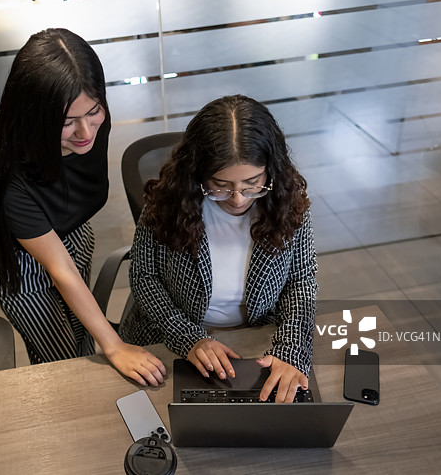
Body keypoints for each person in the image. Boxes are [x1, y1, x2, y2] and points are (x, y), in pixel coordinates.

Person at [0, 28, 165, 386]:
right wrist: (115, 345)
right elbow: (58, 267)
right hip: (18, 262)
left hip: (71, 233)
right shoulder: (8, 178)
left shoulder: (93, 122)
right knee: (64, 358)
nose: (85, 132)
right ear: (35, 116)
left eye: (93, 111)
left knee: (80, 335)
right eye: (66, 122)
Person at [119, 94, 317, 402]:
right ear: (197, 172)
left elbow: (301, 281)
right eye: (221, 185)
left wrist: (291, 349)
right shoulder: (167, 203)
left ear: (271, 169)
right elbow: (145, 278)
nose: (238, 199)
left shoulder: (286, 203)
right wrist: (189, 338)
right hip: (170, 341)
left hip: (257, 339)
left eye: (252, 182)